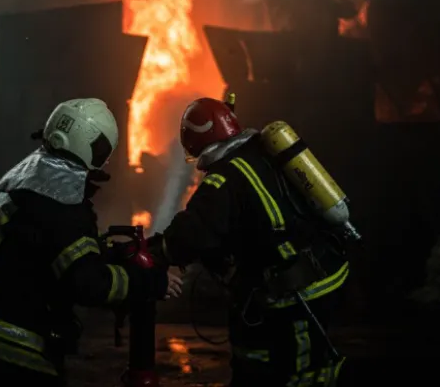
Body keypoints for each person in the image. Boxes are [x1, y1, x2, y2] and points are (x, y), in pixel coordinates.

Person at [0, 98, 183, 386]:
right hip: (4, 340)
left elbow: (52, 249)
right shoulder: (63, 201)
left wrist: (111, 255)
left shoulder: (32, 178)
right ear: (93, 149)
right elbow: (89, 284)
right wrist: (150, 282)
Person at [148, 97, 352, 386]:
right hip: (315, 270)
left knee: (300, 372)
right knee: (264, 358)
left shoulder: (223, 180)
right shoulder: (261, 154)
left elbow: (192, 234)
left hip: (296, 290)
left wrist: (157, 251)